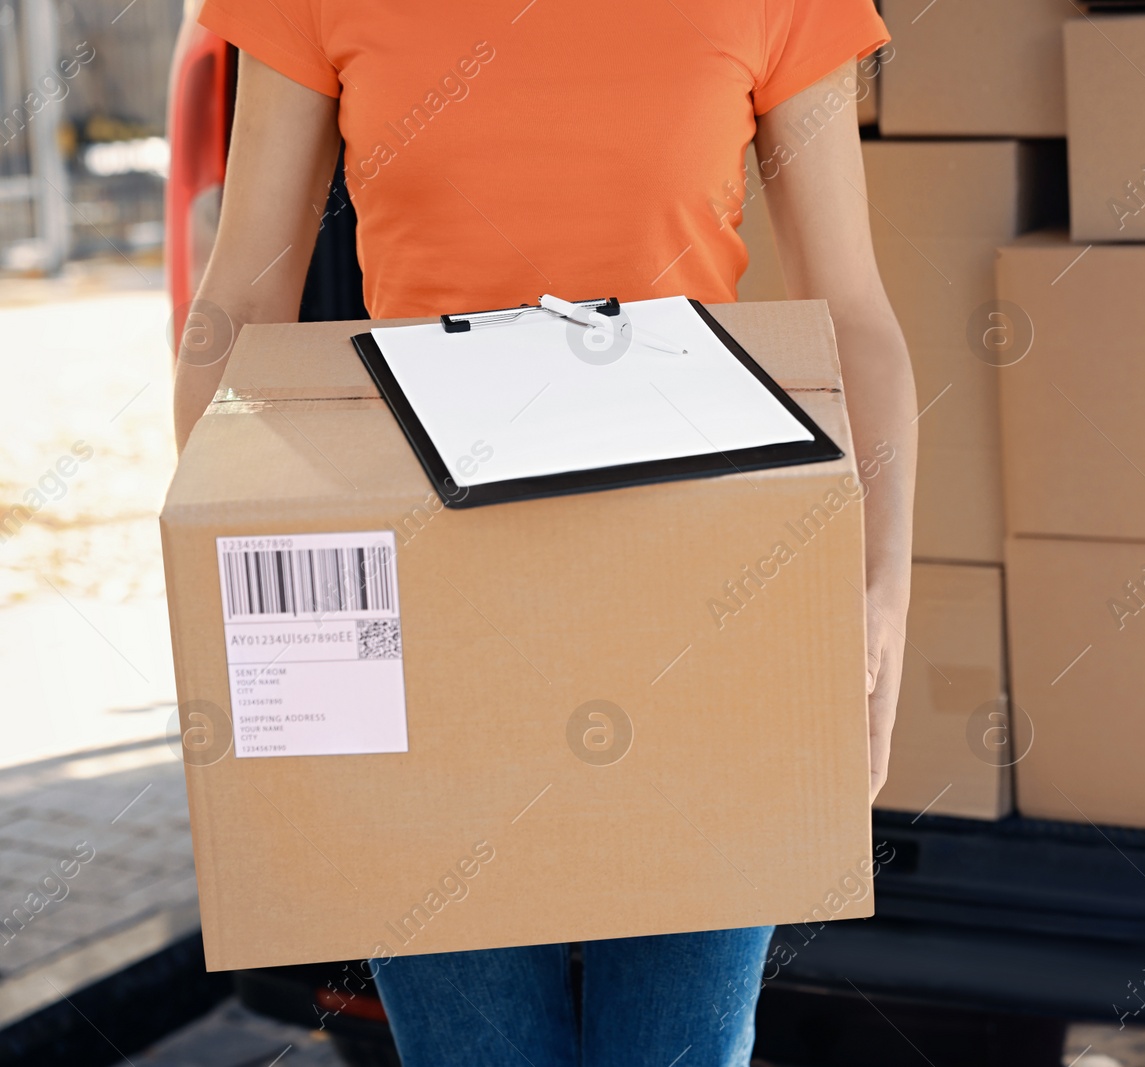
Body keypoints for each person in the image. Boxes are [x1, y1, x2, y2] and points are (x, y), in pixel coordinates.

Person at [171, 2, 915, 1064]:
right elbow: (238, 302)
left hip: (701, 606)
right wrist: (221, 596)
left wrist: (879, 595)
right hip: (429, 613)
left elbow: (854, 318)